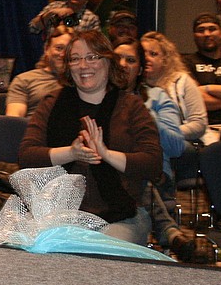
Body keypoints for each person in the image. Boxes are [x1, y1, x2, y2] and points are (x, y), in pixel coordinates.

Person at [18, 30, 163, 244]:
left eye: (92, 57)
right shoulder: (52, 103)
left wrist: (105, 154)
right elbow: (26, 157)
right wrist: (71, 153)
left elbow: (153, 164)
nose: (83, 66)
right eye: (75, 59)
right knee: (36, 249)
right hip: (58, 213)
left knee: (101, 254)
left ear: (108, 61)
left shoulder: (131, 106)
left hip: (120, 217)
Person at [112, 38, 196, 260]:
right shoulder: (97, 97)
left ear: (139, 69)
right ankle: (169, 231)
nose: (122, 64)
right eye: (117, 58)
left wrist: (141, 114)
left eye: (130, 60)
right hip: (110, 175)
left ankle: (167, 230)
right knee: (127, 170)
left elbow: (177, 147)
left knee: (139, 169)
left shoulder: (157, 97)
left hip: (156, 176)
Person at [182, 12, 221, 137]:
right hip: (201, 129)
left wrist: (207, 88)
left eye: (212, 29)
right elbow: (193, 99)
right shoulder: (185, 63)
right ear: (194, 36)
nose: (207, 34)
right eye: (201, 30)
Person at [6, 25, 73, 119]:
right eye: (59, 48)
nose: (63, 54)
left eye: (69, 50)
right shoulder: (24, 80)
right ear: (46, 49)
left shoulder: (82, 81)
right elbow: (14, 120)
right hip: (33, 131)